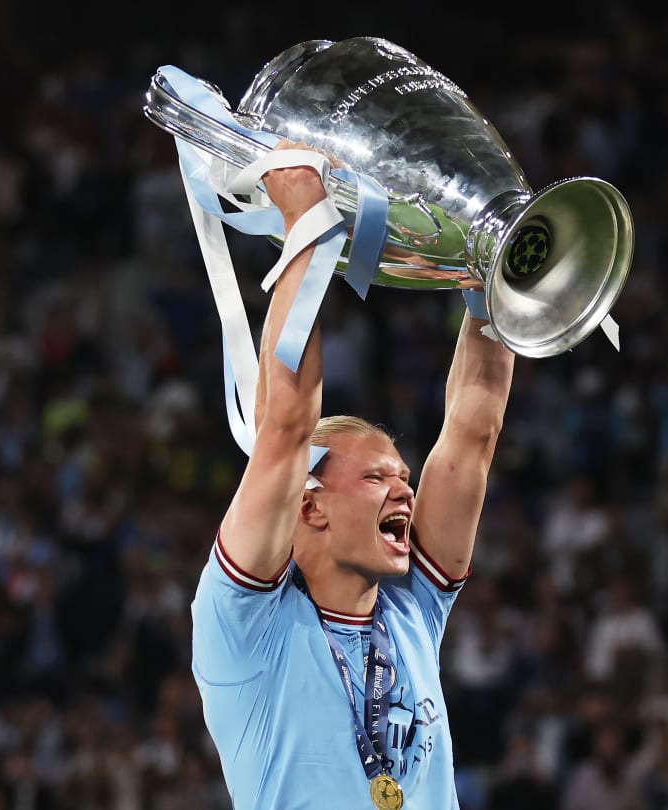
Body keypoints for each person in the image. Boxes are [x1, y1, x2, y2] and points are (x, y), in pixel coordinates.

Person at [189, 141, 515, 809]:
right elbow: (284, 430)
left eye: (402, 475)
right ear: (310, 506)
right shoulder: (244, 626)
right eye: (375, 478)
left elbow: (472, 435)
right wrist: (304, 222)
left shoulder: (411, 608)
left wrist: (495, 280)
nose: (405, 490)